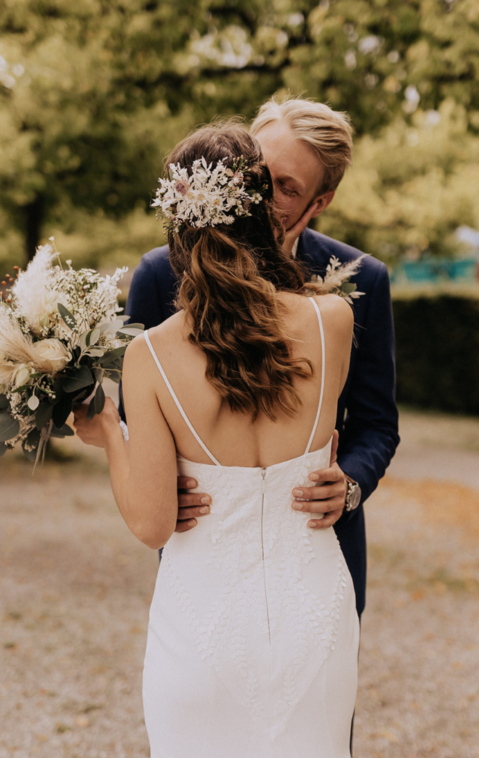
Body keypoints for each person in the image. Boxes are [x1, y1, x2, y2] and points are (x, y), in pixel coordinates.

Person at [74, 123, 431, 758]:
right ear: (261, 206)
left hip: (202, 623)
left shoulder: (151, 355)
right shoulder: (335, 322)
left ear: (179, 220)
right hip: (311, 616)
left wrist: (106, 434)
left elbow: (152, 523)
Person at [121, 97, 399, 618]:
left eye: (287, 188)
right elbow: (133, 411)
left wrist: (351, 487)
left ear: (321, 201)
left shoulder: (363, 280)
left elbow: (378, 422)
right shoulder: (161, 273)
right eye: (259, 174)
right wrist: (161, 485)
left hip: (316, 551)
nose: (260, 196)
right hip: (206, 546)